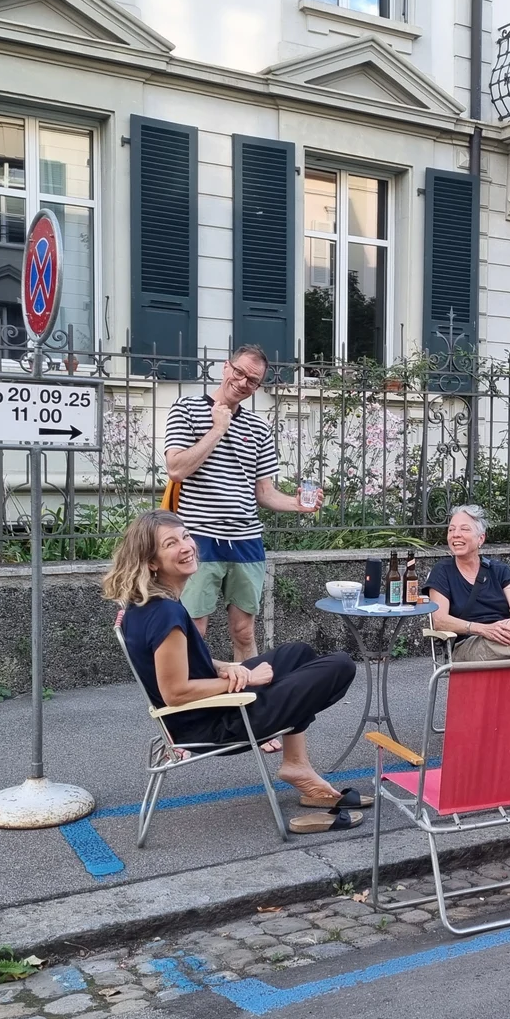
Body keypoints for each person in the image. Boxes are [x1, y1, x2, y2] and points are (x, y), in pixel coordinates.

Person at [103, 510, 368, 829]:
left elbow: (181, 664)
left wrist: (227, 667)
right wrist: (244, 679)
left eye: (186, 536)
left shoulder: (147, 606)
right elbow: (174, 692)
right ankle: (297, 765)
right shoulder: (165, 614)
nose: (186, 546)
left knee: (296, 655)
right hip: (214, 725)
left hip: (206, 711)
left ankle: (297, 765)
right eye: (171, 543)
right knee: (339, 665)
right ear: (152, 562)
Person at [163, 345, 319, 663]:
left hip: (246, 541)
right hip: (199, 538)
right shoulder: (185, 409)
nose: (243, 382)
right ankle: (189, 706)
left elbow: (264, 492)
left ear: (257, 386)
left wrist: (298, 504)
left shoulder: (259, 428)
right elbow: (176, 468)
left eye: (253, 380)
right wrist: (218, 428)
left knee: (244, 631)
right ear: (225, 368)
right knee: (194, 629)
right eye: (239, 372)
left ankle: (251, 704)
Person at [424, 505, 510, 660]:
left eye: (464, 529)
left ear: (481, 538)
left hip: (504, 638)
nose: (455, 535)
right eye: (451, 530)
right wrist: (482, 629)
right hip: (466, 646)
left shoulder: (499, 570)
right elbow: (440, 621)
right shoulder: (442, 571)